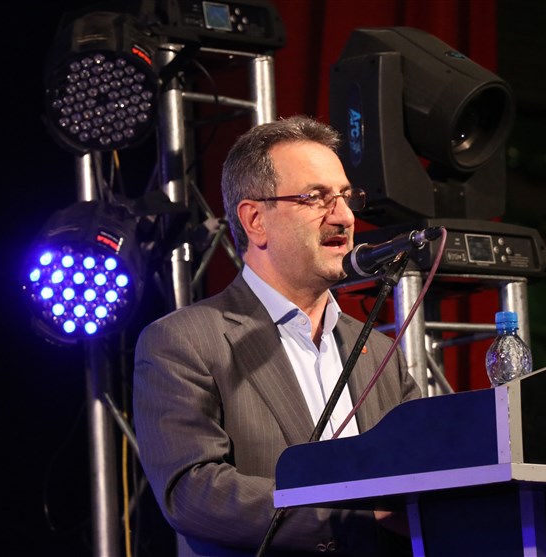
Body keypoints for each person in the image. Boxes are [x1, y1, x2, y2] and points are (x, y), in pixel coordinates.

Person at [133, 115, 421, 556]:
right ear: (255, 220)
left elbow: (423, 463)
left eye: (345, 197)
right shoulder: (183, 342)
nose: (344, 217)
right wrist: (352, 519)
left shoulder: (379, 350)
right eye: (316, 198)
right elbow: (193, 491)